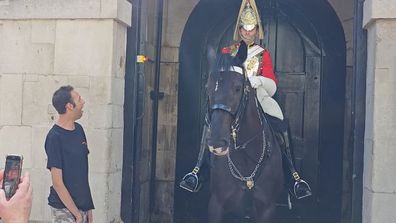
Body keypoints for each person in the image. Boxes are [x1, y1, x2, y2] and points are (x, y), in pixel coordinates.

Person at [181, 0, 312, 200]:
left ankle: (293, 175)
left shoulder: (263, 54)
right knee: (211, 122)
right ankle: (198, 171)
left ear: (257, 30)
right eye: (244, 28)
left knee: (279, 117)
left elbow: (272, 82)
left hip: (258, 94)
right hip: (231, 97)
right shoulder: (227, 51)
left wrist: (256, 80)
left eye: (252, 29)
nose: (248, 32)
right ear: (239, 29)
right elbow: (219, 73)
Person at [45, 85, 94, 223]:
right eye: (79, 99)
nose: (83, 102)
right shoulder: (54, 137)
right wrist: (76, 215)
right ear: (69, 106)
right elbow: (57, 183)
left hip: (82, 207)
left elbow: (82, 174)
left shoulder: (79, 130)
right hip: (63, 209)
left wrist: (87, 209)